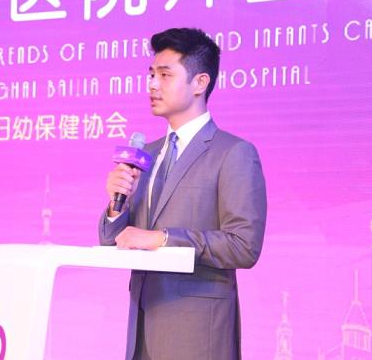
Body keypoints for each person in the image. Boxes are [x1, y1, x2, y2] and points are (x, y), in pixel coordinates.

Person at [98, 27, 267, 360]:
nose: (152, 85)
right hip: (142, 331)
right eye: (151, 74)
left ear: (200, 83)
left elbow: (244, 246)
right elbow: (113, 241)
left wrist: (163, 239)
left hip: (197, 334)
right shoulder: (146, 154)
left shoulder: (233, 153)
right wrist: (117, 205)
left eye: (165, 75)